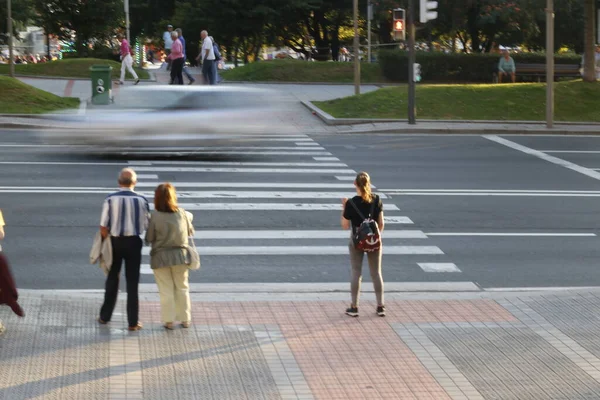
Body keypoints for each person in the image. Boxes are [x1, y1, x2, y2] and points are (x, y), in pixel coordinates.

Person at [98, 168, 149, 331]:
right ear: (135, 182)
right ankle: (133, 322)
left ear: (119, 182)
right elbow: (147, 224)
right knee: (133, 282)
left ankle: (105, 316)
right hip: (134, 242)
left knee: (112, 278)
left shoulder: (110, 199)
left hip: (115, 242)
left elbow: (103, 226)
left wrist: (105, 241)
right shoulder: (142, 200)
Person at [145, 183, 194, 330]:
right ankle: (185, 319)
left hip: (160, 257)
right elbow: (190, 232)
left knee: (166, 290)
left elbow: (149, 238)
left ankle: (169, 321)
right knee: (182, 287)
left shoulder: (154, 216)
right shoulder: (183, 213)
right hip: (181, 256)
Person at [341, 172, 385, 318]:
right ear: (369, 183)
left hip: (356, 242)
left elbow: (345, 226)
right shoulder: (376, 200)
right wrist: (374, 236)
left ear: (355, 184)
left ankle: (354, 307)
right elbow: (381, 224)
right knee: (376, 273)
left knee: (356, 272)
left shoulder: (351, 203)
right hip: (374, 241)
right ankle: (380, 306)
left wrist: (343, 207)